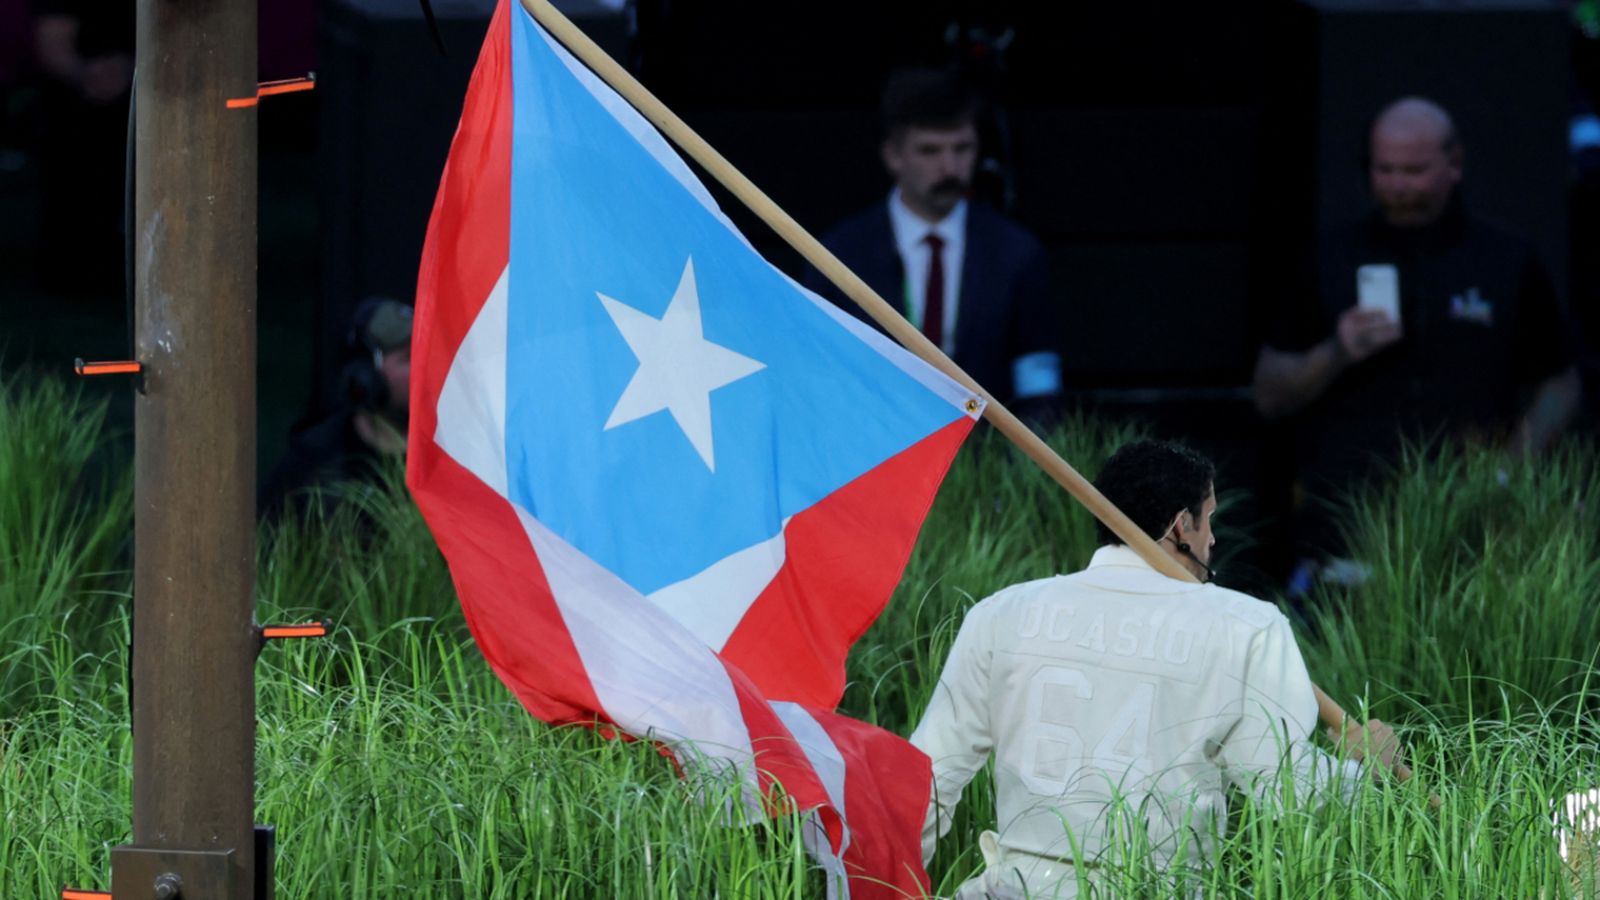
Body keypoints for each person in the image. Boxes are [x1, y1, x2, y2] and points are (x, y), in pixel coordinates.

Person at [910, 440, 1396, 899]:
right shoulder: (1247, 627)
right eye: (1209, 521)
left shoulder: (1001, 613)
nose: (1213, 539)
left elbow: (925, 781)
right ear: (1181, 526)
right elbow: (1290, 793)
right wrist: (1363, 769)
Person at [1253, 97, 1581, 574]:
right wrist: (1337, 351)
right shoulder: (1329, 259)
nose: (1399, 187)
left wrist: (1510, 469)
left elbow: (1561, 382)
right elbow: (1268, 394)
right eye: (1385, 171)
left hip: (1474, 527)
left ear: (1455, 164)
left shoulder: (1506, 260)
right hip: (1346, 526)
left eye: (1414, 171)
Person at [802, 67, 1061, 415]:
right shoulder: (840, 254)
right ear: (893, 155)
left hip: (988, 458)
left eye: (962, 148)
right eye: (930, 151)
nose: (950, 166)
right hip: (879, 455)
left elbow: (1039, 389)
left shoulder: (1017, 254)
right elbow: (818, 377)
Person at [258, 297, 412, 519]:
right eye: (407, 358)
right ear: (366, 375)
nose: (425, 369)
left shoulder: (450, 460)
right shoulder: (313, 465)